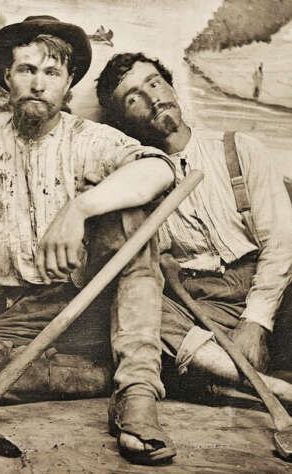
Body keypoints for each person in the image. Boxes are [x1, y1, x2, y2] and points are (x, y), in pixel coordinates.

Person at [0, 16, 180, 464]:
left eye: (52, 73)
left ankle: (137, 394)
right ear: (7, 78)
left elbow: (159, 168)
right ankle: (108, 374)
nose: (38, 84)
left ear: (68, 84)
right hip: (26, 317)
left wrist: (79, 208)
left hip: (99, 298)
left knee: (131, 215)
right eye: (27, 70)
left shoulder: (89, 139)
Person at [96, 52, 292, 403]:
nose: (152, 97)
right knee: (137, 317)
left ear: (170, 86)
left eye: (155, 82)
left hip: (270, 287)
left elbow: (281, 243)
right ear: (122, 120)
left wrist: (257, 321)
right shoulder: (134, 183)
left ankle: (223, 382)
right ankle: (278, 393)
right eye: (133, 97)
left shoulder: (238, 148)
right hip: (198, 302)